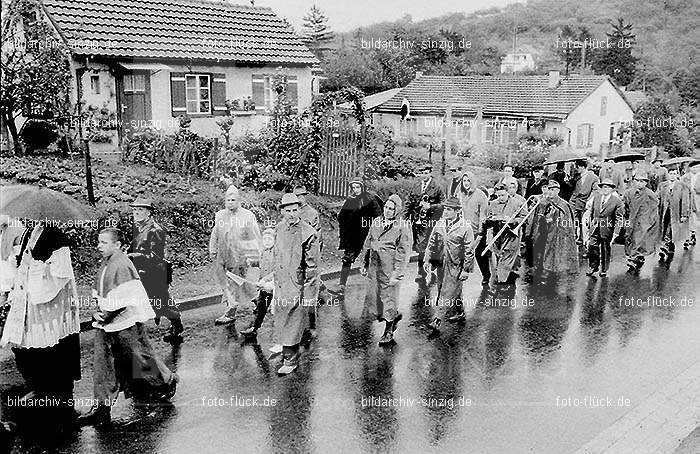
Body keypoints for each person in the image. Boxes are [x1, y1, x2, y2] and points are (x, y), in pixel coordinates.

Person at [78, 228, 177, 426]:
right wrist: (98, 312)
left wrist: (105, 315)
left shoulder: (123, 264)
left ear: (118, 245)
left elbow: (124, 299)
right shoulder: (106, 262)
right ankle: (102, 407)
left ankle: (165, 381)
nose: (99, 246)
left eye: (104, 243)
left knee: (138, 359)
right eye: (99, 242)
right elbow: (102, 292)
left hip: (125, 322)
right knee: (103, 362)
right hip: (106, 322)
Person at [0, 223, 81, 425]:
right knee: (27, 347)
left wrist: (34, 264)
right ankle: (41, 391)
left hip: (52, 306)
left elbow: (61, 274)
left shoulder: (56, 236)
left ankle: (60, 402)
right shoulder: (30, 231)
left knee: (55, 351)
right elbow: (22, 261)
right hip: (31, 302)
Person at [272, 193, 320, 375]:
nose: (292, 214)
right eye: (288, 210)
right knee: (283, 319)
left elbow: (313, 268)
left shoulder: (308, 232)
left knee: (293, 320)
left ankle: (291, 360)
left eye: (295, 210)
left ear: (299, 210)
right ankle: (292, 346)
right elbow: (276, 257)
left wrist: (308, 294)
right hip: (282, 283)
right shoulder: (278, 229)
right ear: (282, 211)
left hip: (297, 285)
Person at [128, 198, 183, 344]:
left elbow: (156, 256)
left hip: (155, 273)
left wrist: (136, 256)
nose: (136, 212)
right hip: (141, 272)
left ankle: (176, 324)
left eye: (140, 210)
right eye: (134, 210)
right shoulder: (139, 227)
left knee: (160, 301)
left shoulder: (155, 230)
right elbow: (134, 246)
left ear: (149, 212)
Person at [361, 194, 412, 345]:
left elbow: (404, 251)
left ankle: (388, 331)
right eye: (386, 208)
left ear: (397, 210)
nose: (388, 211)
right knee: (375, 298)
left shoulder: (402, 226)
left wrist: (397, 272)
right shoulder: (376, 222)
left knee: (389, 299)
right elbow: (368, 242)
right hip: (375, 266)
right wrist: (364, 263)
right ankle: (393, 317)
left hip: (390, 268)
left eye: (391, 208)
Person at [209, 185, 262, 326]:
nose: (230, 202)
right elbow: (215, 233)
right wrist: (212, 248)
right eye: (228, 200)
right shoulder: (220, 215)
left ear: (239, 201)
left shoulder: (247, 216)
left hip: (242, 257)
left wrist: (255, 257)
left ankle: (258, 302)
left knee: (245, 283)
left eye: (233, 199)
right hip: (224, 256)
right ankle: (230, 311)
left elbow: (255, 237)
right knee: (228, 285)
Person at [423, 197, 474, 335]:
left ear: (458, 211)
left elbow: (469, 251)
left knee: (447, 292)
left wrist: (466, 270)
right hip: (441, 263)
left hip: (456, 264)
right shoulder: (440, 224)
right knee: (445, 289)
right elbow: (432, 241)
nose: (446, 212)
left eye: (450, 209)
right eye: (445, 209)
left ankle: (437, 319)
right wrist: (427, 259)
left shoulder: (465, 227)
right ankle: (460, 312)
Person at [331, 178, 383, 297]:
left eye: (358, 187)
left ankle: (375, 287)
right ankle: (342, 286)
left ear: (362, 187)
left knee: (371, 259)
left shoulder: (370, 199)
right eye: (353, 188)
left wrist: (372, 230)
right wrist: (347, 228)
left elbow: (378, 217)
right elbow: (341, 216)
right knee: (347, 258)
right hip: (355, 236)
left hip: (369, 234)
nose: (356, 190)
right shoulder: (351, 200)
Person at [524, 180, 579, 284]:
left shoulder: (563, 204)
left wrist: (555, 222)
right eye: (548, 189)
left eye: (553, 189)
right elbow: (536, 218)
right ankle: (541, 272)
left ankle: (548, 274)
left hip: (556, 233)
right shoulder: (542, 202)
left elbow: (567, 223)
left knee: (553, 253)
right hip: (542, 232)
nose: (550, 192)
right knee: (540, 252)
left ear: (558, 191)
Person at [293, 185, 323, 336]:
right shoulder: (292, 213)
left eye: (301, 196)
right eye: (296, 196)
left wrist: (314, 258)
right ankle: (298, 326)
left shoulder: (312, 214)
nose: (299, 199)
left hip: (309, 256)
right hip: (295, 258)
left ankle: (311, 327)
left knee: (310, 295)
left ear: (305, 196)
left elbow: (317, 237)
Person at [483, 183, 524, 285]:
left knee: (506, 258)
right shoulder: (492, 203)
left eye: (503, 195)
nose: (500, 198)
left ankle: (502, 283)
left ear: (508, 193)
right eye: (498, 195)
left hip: (511, 236)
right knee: (499, 257)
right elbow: (487, 218)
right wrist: (491, 220)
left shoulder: (517, 203)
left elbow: (524, 218)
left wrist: (513, 221)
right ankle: (507, 278)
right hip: (497, 235)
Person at [622, 169, 660, 274]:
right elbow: (624, 206)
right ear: (634, 180)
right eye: (637, 181)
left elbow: (654, 210)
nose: (639, 183)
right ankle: (632, 256)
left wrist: (650, 222)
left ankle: (634, 257)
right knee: (628, 237)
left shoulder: (650, 194)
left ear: (646, 183)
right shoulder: (628, 193)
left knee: (639, 239)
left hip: (643, 221)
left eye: (642, 181)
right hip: (631, 220)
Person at [584, 179, 624, 277]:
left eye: (608, 187)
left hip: (607, 228)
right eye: (603, 187)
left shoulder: (617, 202)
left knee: (605, 248)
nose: (605, 189)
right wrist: (590, 224)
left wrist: (616, 233)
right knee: (592, 246)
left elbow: (619, 219)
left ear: (612, 189)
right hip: (595, 226)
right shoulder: (596, 198)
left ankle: (604, 269)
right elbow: (592, 212)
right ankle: (594, 266)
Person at [240, 228, 276, 338]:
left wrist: (265, 279)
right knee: (261, 307)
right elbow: (260, 264)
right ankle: (254, 328)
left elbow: (277, 270)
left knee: (277, 309)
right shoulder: (263, 251)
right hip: (264, 286)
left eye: (270, 239)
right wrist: (252, 262)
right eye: (265, 239)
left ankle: (284, 333)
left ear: (275, 240)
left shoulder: (277, 253)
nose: (267, 241)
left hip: (275, 285)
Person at [456, 171, 490, 285]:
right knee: (462, 253)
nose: (466, 183)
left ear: (472, 181)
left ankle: (486, 274)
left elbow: (483, 215)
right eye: (464, 180)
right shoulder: (461, 194)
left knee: (480, 254)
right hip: (464, 229)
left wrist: (481, 231)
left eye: (468, 181)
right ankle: (460, 273)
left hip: (476, 230)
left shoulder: (480, 195)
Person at [413, 166, 445, 282]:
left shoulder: (437, 186)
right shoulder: (416, 185)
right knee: (421, 246)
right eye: (422, 173)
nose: (424, 175)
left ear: (430, 173)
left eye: (426, 173)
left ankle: (432, 268)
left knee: (431, 245)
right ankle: (421, 272)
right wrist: (405, 217)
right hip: (419, 221)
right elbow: (409, 201)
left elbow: (443, 204)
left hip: (432, 221)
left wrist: (430, 207)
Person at [658, 168, 691, 263]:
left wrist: (684, 214)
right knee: (665, 227)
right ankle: (669, 245)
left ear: (677, 174)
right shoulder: (663, 185)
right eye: (670, 173)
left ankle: (665, 245)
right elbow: (658, 197)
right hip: (665, 211)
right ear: (667, 174)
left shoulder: (682, 186)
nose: (672, 175)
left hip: (676, 211)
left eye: (674, 173)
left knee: (671, 227)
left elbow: (685, 200)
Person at [570, 159, 600, 247]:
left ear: (583, 167)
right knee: (574, 220)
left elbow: (595, 190)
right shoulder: (576, 176)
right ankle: (575, 237)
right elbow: (571, 187)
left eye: (578, 167)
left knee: (585, 223)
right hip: (575, 201)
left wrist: (590, 200)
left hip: (585, 202)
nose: (576, 169)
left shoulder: (593, 177)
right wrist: (568, 182)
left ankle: (584, 240)